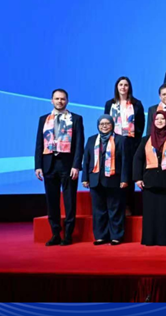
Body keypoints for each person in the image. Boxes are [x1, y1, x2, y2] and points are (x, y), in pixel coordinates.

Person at [34, 89, 85, 246]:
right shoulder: (44, 119)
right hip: (49, 164)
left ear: (67, 101)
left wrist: (76, 165)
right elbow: (39, 143)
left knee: (69, 201)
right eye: (57, 99)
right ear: (52, 101)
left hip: (68, 165)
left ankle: (68, 235)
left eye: (62, 99)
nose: (60, 101)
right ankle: (55, 233)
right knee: (52, 201)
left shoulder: (76, 119)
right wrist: (38, 165)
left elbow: (79, 144)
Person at [133, 110, 166, 246]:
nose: (159, 121)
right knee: (151, 213)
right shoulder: (146, 139)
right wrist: (138, 178)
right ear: (153, 121)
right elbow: (138, 159)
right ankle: (150, 240)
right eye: (157, 119)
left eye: (162, 119)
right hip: (150, 182)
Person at [82, 115, 130, 245]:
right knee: (98, 211)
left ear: (112, 125)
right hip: (95, 180)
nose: (104, 126)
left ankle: (116, 236)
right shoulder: (92, 140)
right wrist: (85, 178)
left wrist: (124, 179)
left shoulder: (121, 140)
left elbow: (125, 161)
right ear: (98, 125)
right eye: (101, 124)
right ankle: (101, 236)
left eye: (107, 123)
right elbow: (86, 160)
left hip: (114, 180)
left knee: (115, 210)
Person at [103, 76, 145, 216]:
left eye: (126, 85)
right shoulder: (109, 104)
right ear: (117, 87)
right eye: (120, 85)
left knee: (128, 174)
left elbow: (140, 125)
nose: (123, 87)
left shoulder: (136, 104)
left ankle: (128, 206)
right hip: (113, 143)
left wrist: (135, 143)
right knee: (115, 173)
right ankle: (116, 206)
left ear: (129, 87)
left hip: (130, 144)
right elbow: (105, 123)